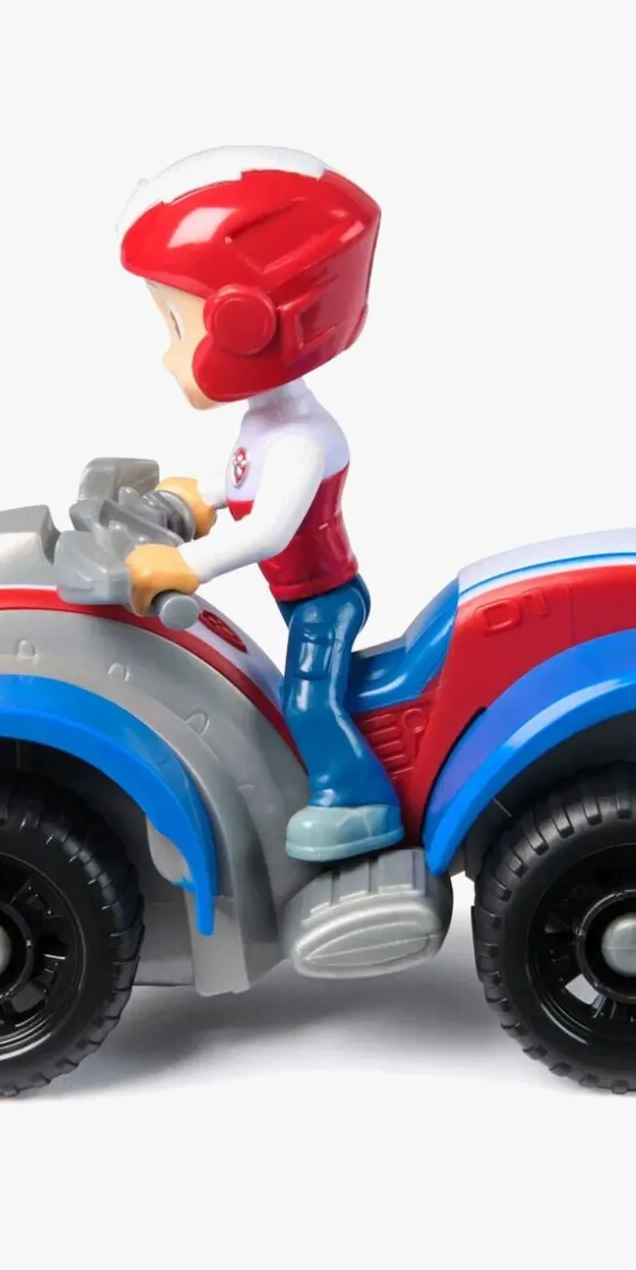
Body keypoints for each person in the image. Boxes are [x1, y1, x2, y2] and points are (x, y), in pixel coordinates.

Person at [117, 146, 403, 864]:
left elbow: (269, 530)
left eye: (179, 328)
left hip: (324, 601)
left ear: (247, 327)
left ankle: (358, 798)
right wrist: (198, 495)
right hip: (298, 597)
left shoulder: (303, 440)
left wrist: (189, 564)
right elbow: (241, 479)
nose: (167, 354)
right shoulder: (270, 425)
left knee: (308, 699)